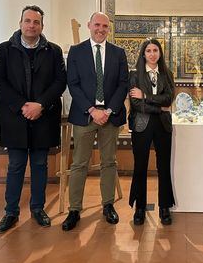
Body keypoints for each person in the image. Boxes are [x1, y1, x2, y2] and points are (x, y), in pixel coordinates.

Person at [0, 5, 66, 233]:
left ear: (42, 26)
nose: (31, 25)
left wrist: (40, 105)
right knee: (15, 166)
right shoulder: (5, 49)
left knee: (40, 165)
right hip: (15, 116)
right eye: (28, 21)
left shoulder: (53, 51)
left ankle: (37, 208)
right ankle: (11, 211)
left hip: (44, 116)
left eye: (36, 22)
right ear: (20, 23)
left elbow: (59, 82)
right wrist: (22, 106)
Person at [62, 12, 129, 230]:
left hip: (110, 116)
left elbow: (122, 84)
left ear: (109, 29)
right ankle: (74, 209)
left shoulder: (118, 53)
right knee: (79, 163)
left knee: (109, 162)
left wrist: (108, 110)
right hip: (84, 115)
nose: (100, 29)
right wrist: (92, 110)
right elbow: (73, 84)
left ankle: (108, 205)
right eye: (97, 25)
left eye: (105, 26)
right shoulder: (76, 51)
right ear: (89, 25)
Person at [128, 39, 175, 225]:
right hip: (141, 125)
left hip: (163, 126)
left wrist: (147, 96)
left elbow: (169, 99)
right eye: (148, 50)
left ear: (160, 53)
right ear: (143, 54)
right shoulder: (135, 75)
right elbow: (135, 104)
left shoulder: (167, 73)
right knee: (140, 166)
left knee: (163, 167)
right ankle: (140, 208)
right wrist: (159, 107)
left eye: (156, 50)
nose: (153, 54)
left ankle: (164, 207)